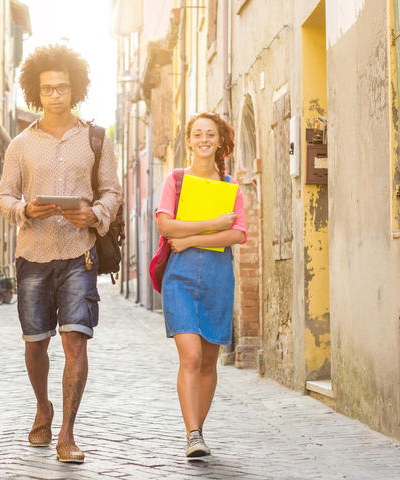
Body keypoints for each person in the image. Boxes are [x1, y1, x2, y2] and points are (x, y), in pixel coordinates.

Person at [0, 44, 122, 463]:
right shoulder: (19, 144)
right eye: (47, 88)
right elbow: (4, 196)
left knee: (76, 344)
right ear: (36, 91)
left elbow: (112, 192)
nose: (55, 95)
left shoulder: (95, 139)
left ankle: (67, 432)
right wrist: (24, 210)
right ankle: (42, 407)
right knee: (35, 344)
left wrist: (95, 214)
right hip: (32, 255)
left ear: (75, 89)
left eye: (62, 87)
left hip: (78, 255)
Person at [155, 112, 247, 458]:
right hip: (179, 277)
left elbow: (238, 233)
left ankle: (198, 431)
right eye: (198, 134)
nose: (204, 140)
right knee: (191, 356)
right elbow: (165, 226)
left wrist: (190, 238)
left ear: (219, 141)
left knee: (209, 362)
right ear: (190, 141)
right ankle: (192, 433)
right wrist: (211, 225)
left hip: (217, 277)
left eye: (211, 134)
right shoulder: (176, 181)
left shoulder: (231, 185)